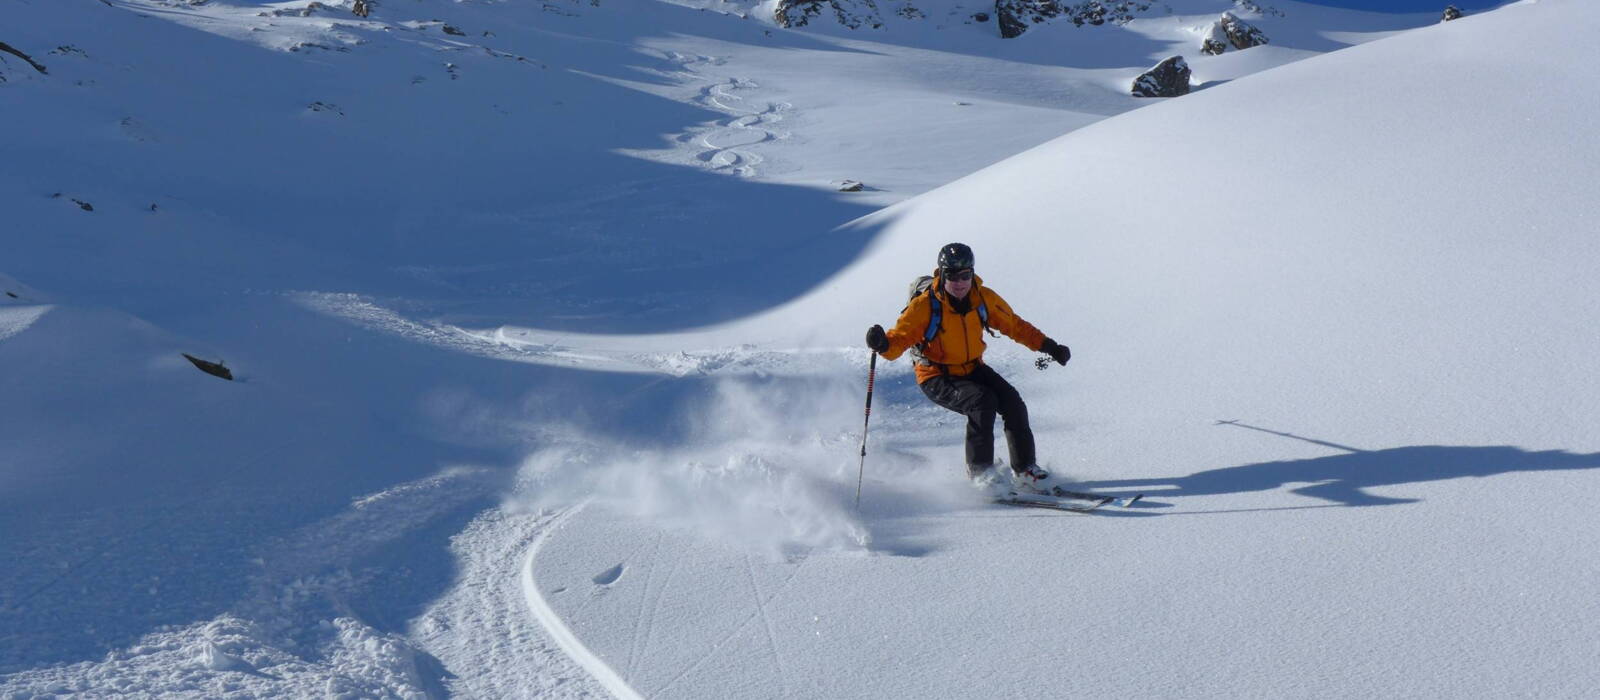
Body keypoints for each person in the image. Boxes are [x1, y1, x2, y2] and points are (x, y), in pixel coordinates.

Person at [865, 242, 1071, 492]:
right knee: (981, 402)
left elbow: (1015, 326)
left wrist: (1049, 346)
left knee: (1012, 402)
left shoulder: (982, 298)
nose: (960, 282)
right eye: (952, 275)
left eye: (966, 275)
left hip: (972, 367)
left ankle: (1026, 469)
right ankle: (981, 474)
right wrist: (882, 343)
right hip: (935, 374)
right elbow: (898, 340)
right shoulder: (924, 306)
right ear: (941, 274)